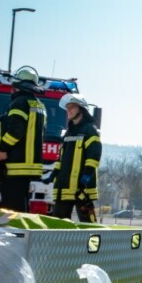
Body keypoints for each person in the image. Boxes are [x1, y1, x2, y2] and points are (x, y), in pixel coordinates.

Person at [0, 66, 46, 213]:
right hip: (29, 165)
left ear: (16, 86)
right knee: (21, 206)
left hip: (16, 163)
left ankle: (13, 235)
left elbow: (16, 131)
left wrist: (2, 149)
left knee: (11, 209)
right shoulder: (39, 105)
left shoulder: (19, 103)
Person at [45, 94, 101, 223]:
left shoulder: (90, 131)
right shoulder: (68, 132)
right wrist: (53, 174)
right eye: (67, 108)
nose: (68, 110)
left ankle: (92, 243)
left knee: (88, 224)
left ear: (81, 109)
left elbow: (93, 158)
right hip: (64, 186)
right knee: (58, 224)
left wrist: (85, 178)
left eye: (72, 107)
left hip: (81, 187)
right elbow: (62, 158)